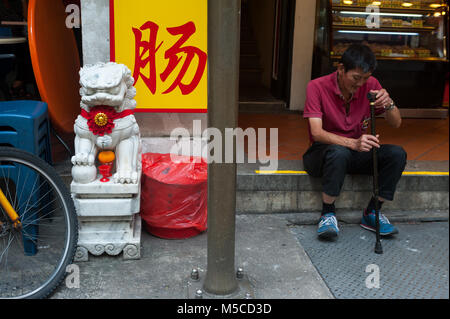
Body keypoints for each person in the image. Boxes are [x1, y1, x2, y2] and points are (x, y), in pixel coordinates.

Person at [302, 44, 407, 240]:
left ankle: (372, 212)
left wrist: (389, 103)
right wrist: (353, 144)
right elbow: (316, 132)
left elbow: (396, 123)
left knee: (396, 154)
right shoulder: (316, 86)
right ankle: (327, 212)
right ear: (341, 69)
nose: (360, 84)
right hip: (321, 154)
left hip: (355, 153)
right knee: (338, 152)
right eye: (356, 78)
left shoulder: (371, 84)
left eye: (365, 79)